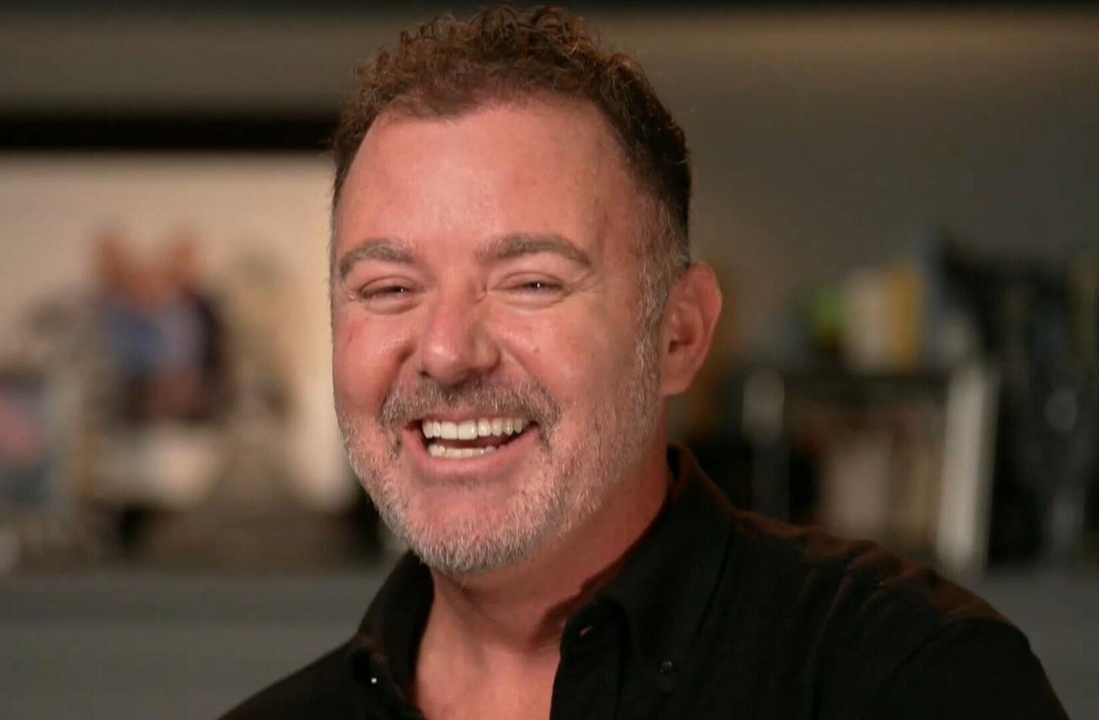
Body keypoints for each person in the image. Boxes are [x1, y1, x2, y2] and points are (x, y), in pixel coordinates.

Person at [220, 7, 1067, 719]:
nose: (445, 351)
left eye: (531, 282)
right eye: (389, 288)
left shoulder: (915, 680)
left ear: (680, 336)